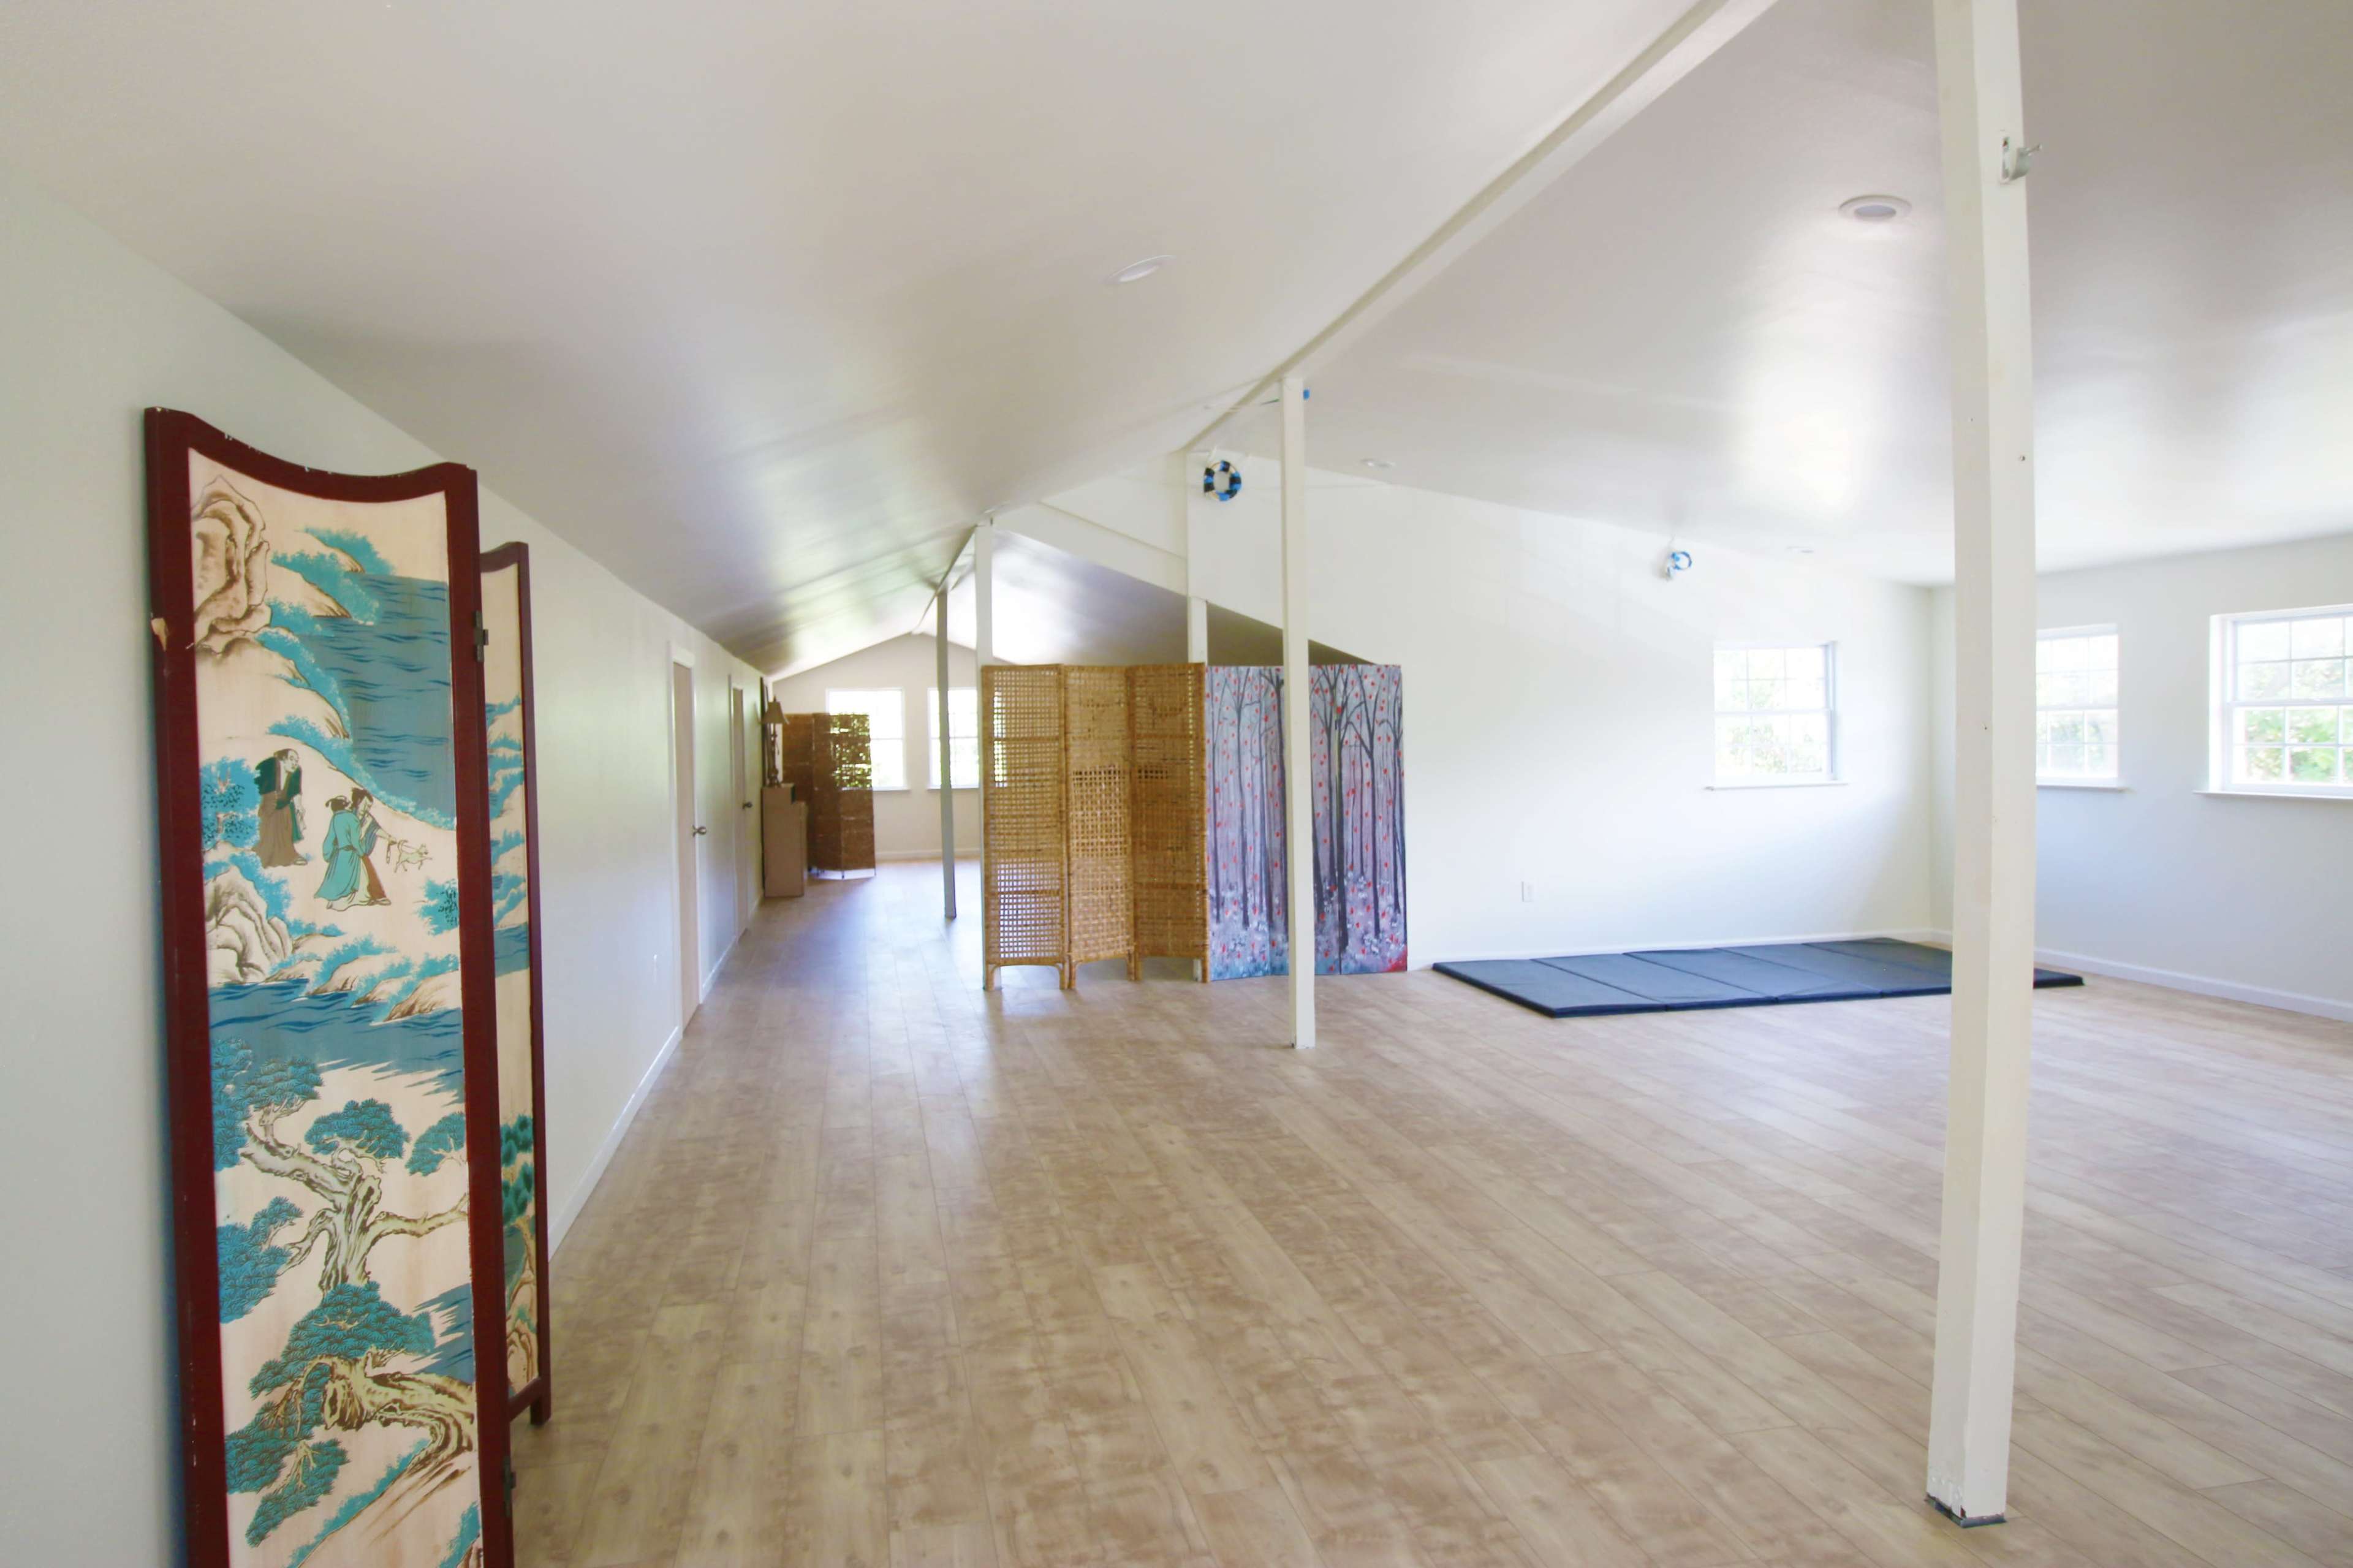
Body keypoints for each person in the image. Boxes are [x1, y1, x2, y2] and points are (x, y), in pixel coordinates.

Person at [317, 790, 390, 910]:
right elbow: (353, 839)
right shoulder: (351, 816)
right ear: (358, 802)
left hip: (345, 852)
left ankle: (373, 896)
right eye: (365, 804)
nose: (367, 808)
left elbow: (376, 829)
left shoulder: (342, 817)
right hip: (352, 851)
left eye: (369, 806)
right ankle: (369, 897)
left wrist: (389, 837)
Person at [254, 748, 307, 866]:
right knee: (267, 833)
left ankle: (289, 856)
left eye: (297, 760)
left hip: (284, 805)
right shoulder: (270, 765)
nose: (295, 763)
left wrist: (299, 806)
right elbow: (257, 782)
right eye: (292, 759)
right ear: (282, 759)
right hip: (268, 804)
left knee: (285, 831)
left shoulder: (296, 771)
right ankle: (264, 858)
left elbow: (296, 791)